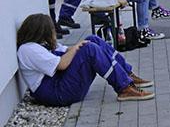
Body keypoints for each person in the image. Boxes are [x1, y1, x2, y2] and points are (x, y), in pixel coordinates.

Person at [16, 14, 154, 104]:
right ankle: (124, 88)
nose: (53, 33)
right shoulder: (28, 49)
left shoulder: (39, 44)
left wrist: (81, 45)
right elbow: (62, 64)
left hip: (60, 83)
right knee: (89, 49)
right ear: (41, 32)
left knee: (92, 40)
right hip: (58, 93)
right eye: (51, 30)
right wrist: (78, 47)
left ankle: (127, 75)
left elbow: (65, 51)